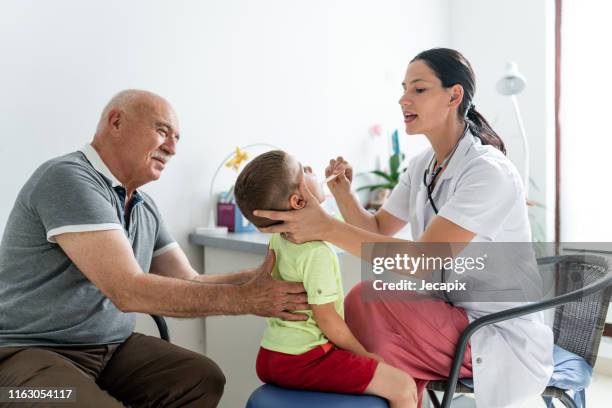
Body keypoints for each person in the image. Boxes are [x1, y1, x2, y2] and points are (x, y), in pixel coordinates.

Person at [253, 48, 554, 407]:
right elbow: (379, 226)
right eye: (403, 88)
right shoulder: (423, 165)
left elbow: (424, 260)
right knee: (366, 301)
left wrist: (326, 227)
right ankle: (397, 393)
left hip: (494, 330)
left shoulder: (488, 172)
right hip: (450, 315)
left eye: (419, 89)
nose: (403, 98)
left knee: (369, 303)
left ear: (453, 96)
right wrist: (344, 195)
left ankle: (394, 392)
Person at [0, 90, 308, 408]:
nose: (172, 148)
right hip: (23, 355)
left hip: (110, 351)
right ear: (116, 121)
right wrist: (246, 299)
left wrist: (255, 277)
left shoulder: (144, 207)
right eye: (162, 131)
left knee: (200, 378)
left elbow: (190, 281)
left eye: (176, 138)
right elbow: (127, 290)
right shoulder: (68, 179)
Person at [234, 150, 417, 408]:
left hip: (270, 356)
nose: (309, 168)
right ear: (297, 202)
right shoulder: (316, 251)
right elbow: (327, 319)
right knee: (403, 386)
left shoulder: (280, 238)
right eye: (303, 171)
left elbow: (336, 222)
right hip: (305, 358)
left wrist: (343, 193)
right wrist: (365, 355)